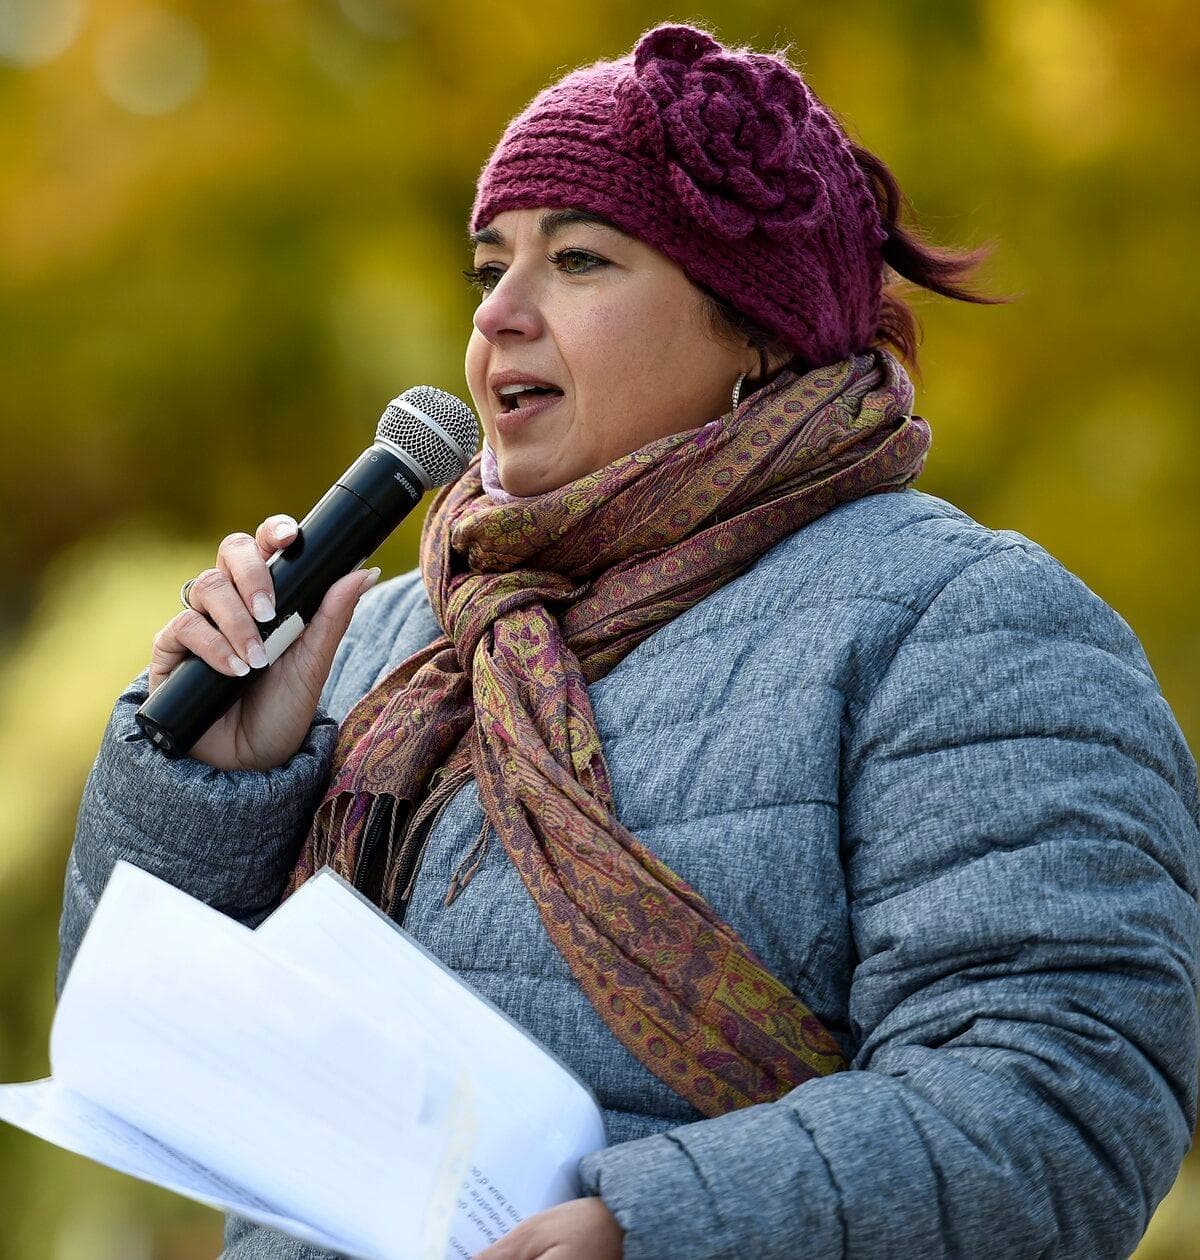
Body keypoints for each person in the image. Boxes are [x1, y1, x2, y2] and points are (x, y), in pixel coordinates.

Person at [58, 22, 1199, 1260]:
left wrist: (654, 1231)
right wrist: (208, 781)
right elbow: (138, 1050)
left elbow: (1064, 1096)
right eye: (487, 268)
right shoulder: (375, 637)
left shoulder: (959, 624)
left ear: (756, 329)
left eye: (581, 260)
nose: (501, 315)